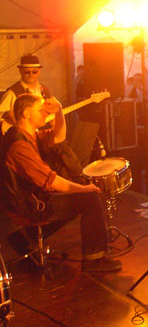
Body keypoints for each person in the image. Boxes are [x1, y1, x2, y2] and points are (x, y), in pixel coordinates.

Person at [1, 93, 121, 272]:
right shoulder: (19, 146)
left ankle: (29, 236)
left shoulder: (27, 134)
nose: (44, 113)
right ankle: (94, 260)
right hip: (28, 206)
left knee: (79, 194)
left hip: (30, 199)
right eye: (40, 110)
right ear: (26, 113)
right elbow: (50, 180)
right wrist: (83, 188)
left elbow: (59, 136)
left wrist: (58, 111)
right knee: (88, 199)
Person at [0, 55, 52, 128]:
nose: (31, 74)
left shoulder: (44, 90)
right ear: (20, 71)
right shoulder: (12, 92)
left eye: (34, 72)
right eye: (27, 72)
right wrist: (8, 117)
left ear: (39, 71)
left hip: (42, 135)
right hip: (24, 136)